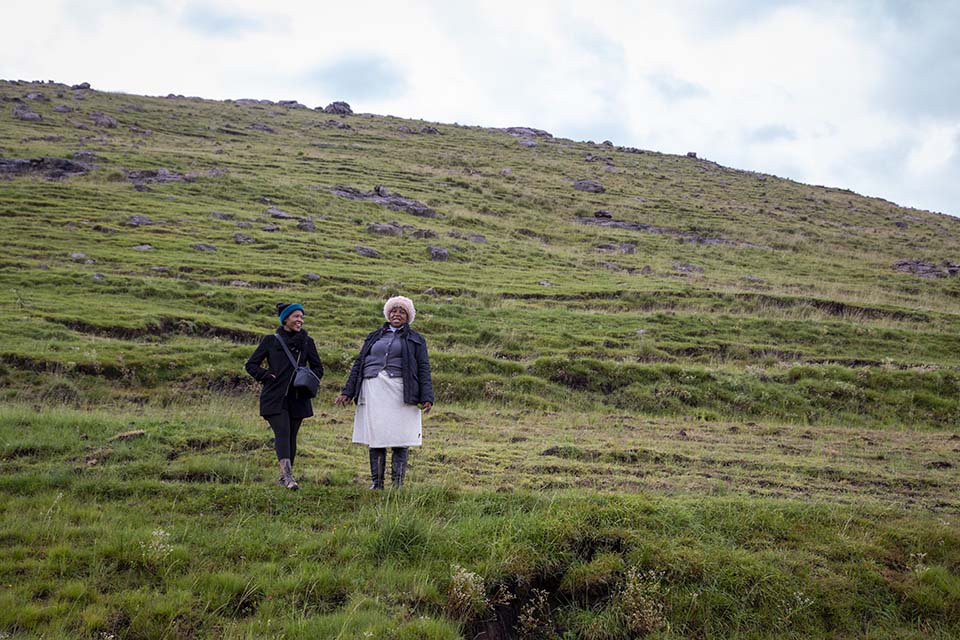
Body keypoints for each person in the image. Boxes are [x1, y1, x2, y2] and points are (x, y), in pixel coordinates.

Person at [335, 296, 433, 489]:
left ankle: (397, 485)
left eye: (402, 312)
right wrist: (348, 392)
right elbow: (359, 363)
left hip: (402, 390)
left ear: (409, 316)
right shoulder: (374, 336)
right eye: (394, 311)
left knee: (400, 436)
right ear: (388, 313)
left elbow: (423, 368)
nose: (397, 314)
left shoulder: (415, 339)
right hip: (374, 388)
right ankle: (377, 483)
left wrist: (427, 396)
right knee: (377, 434)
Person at [245, 303, 323, 490]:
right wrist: (267, 376)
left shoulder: (307, 342)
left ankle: (285, 478)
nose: (300, 320)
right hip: (274, 397)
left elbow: (318, 367)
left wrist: (307, 379)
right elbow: (251, 364)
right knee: (283, 432)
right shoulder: (271, 340)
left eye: (302, 317)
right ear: (285, 319)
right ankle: (287, 477)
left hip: (298, 398)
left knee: (292, 436)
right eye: (296, 316)